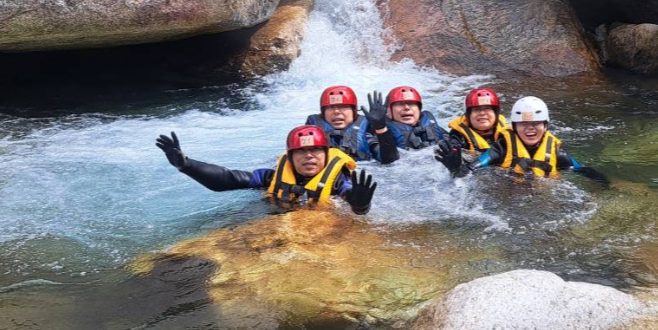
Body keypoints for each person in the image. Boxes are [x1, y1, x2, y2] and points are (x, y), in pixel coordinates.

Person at [155, 125, 376, 213]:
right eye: (301, 151)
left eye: (316, 151)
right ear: (290, 157)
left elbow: (351, 199)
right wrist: (187, 165)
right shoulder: (271, 177)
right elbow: (227, 180)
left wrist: (360, 204)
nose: (309, 156)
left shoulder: (339, 182)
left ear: (326, 155)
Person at [436, 95, 607, 183]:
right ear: (514, 126)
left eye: (536, 123)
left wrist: (605, 185)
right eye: (523, 124)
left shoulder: (556, 152)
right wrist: (455, 169)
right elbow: (471, 169)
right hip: (505, 195)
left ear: (546, 126)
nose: (530, 128)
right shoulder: (501, 148)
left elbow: (583, 170)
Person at [305, 86, 398, 164]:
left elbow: (389, 160)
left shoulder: (365, 130)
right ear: (323, 112)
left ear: (354, 111)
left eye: (343, 107)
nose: (336, 111)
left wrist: (381, 128)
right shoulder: (312, 128)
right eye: (331, 107)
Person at [445, 87, 511, 158]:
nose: (482, 113)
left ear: (495, 113)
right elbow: (454, 146)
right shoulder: (458, 136)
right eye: (476, 109)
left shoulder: (506, 131)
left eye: (487, 108)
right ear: (468, 115)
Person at [385, 85, 446, 150]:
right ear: (389, 111)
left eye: (411, 103)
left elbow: (453, 143)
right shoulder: (380, 132)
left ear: (419, 109)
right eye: (400, 104)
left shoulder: (432, 126)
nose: (407, 107)